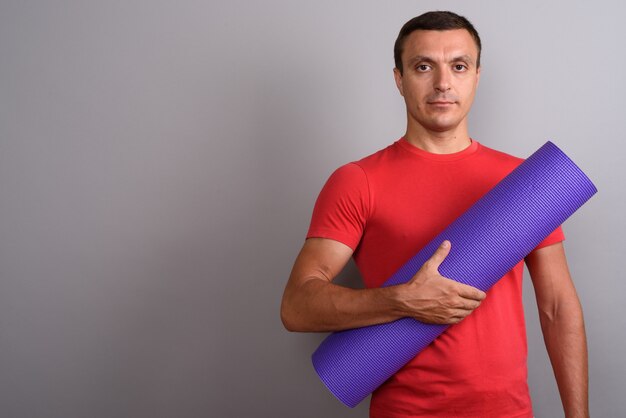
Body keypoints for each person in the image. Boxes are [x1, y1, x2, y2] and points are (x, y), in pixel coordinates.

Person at [280, 11, 589, 418]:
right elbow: (297, 307)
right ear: (399, 79)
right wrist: (402, 301)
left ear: (477, 76)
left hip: (507, 411)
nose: (443, 83)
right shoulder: (358, 181)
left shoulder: (525, 183)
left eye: (458, 66)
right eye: (423, 66)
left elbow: (557, 307)